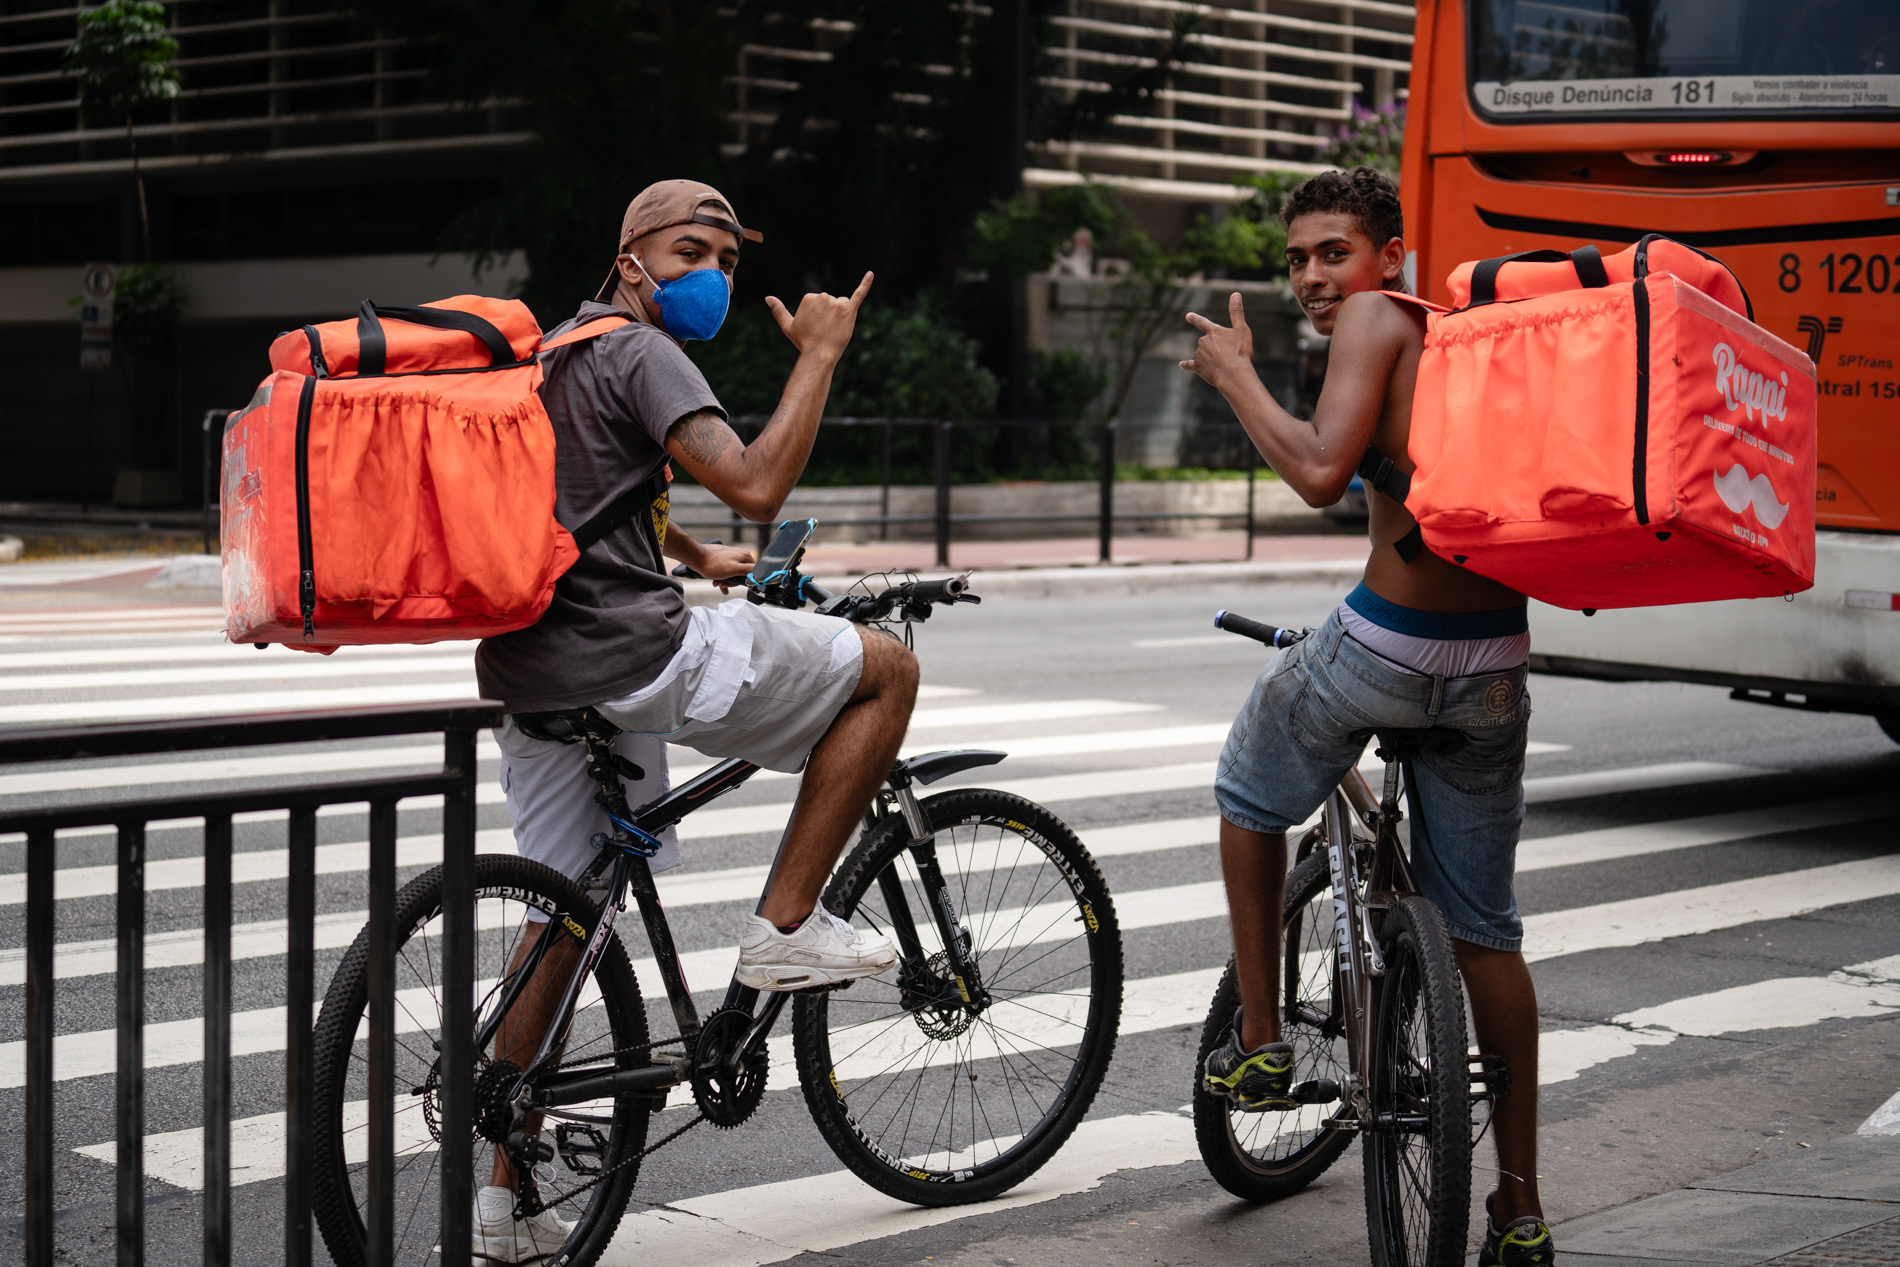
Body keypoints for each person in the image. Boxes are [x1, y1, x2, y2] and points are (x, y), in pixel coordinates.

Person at [468, 179, 917, 1260]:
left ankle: (502, 1196)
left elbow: (582, 488)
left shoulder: (558, 352)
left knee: (566, 912)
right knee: (886, 671)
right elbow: (759, 486)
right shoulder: (641, 350)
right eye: (688, 248)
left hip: (534, 670)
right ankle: (787, 924)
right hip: (632, 655)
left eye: (723, 252)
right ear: (630, 259)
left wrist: (692, 556)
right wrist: (819, 352)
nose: (709, 270)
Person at [1177, 167, 1554, 1267]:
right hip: (1494, 663)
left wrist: (1235, 377)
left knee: (1248, 789)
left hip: (1387, 646)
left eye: (1332, 252)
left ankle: (1256, 1040)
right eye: (1296, 258)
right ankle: (1518, 1206)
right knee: (1485, 932)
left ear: (1389, 253)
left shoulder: (1381, 319)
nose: (1309, 277)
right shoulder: (1463, 333)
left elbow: (1314, 468)